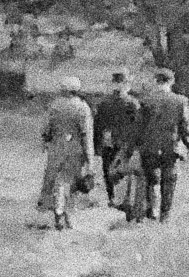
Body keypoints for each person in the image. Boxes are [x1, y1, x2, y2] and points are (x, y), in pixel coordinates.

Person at [135, 65, 189, 221]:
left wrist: (136, 144)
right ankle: (165, 214)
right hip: (171, 146)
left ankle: (152, 209)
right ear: (172, 82)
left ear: (156, 81)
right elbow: (186, 124)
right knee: (169, 180)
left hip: (149, 146)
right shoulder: (180, 101)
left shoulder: (145, 100)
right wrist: (187, 144)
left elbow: (138, 125)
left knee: (151, 179)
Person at [35, 82, 95, 231]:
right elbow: (86, 134)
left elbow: (45, 130)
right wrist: (90, 159)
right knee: (70, 183)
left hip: (56, 148)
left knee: (57, 181)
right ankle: (66, 215)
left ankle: (58, 212)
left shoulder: (54, 106)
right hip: (75, 149)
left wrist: (46, 143)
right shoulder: (82, 107)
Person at [95, 69, 139, 218]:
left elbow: (98, 126)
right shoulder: (132, 103)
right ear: (127, 84)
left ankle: (113, 198)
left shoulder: (104, 103)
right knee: (123, 171)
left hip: (109, 142)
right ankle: (122, 201)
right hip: (125, 143)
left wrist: (96, 146)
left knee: (108, 170)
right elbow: (137, 125)